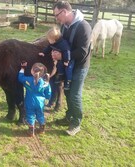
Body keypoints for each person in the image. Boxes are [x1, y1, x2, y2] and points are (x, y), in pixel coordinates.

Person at [52, 1, 92, 136]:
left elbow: (82, 52)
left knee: (74, 94)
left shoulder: (84, 27)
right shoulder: (64, 26)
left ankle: (76, 123)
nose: (56, 19)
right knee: (68, 92)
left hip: (80, 66)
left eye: (57, 15)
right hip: (67, 65)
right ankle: (69, 116)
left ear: (64, 12)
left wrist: (61, 55)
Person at [18, 62, 52, 137]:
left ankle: (31, 131)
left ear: (32, 71)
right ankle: (42, 128)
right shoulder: (45, 83)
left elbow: (20, 78)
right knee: (40, 114)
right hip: (40, 103)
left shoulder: (28, 80)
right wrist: (47, 98)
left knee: (30, 114)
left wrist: (22, 68)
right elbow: (48, 93)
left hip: (30, 101)